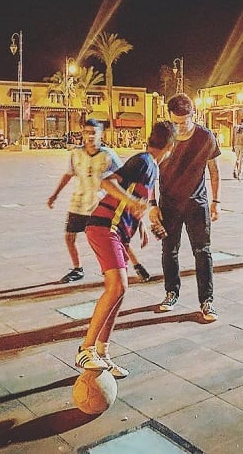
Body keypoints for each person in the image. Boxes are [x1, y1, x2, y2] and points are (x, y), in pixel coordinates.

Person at [76, 121, 175, 377]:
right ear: (170, 147)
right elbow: (107, 182)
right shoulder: (143, 160)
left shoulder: (152, 168)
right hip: (103, 226)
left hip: (117, 231)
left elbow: (140, 201)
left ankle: (102, 350)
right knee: (117, 286)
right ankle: (85, 349)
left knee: (120, 290)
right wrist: (131, 201)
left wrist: (143, 222)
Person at [151, 93, 221, 322]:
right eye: (175, 123)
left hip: (196, 204)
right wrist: (152, 205)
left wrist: (216, 201)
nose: (179, 128)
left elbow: (214, 171)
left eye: (184, 122)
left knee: (202, 251)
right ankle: (171, 292)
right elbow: (150, 169)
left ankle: (207, 301)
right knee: (169, 250)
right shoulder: (162, 135)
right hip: (169, 204)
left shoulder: (205, 137)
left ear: (194, 114)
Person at [47, 119, 121, 283]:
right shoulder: (76, 154)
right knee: (69, 237)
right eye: (87, 132)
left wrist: (118, 197)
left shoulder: (108, 155)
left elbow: (123, 176)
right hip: (78, 203)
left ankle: (110, 268)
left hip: (98, 205)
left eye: (94, 132)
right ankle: (77, 268)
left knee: (103, 239)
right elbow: (69, 174)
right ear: (82, 134)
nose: (90, 136)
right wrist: (55, 194)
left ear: (101, 134)